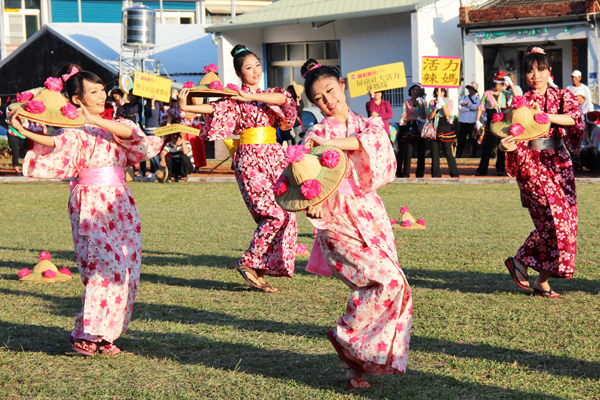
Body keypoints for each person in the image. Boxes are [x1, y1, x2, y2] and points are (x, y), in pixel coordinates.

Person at [10, 63, 163, 354]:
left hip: (121, 202)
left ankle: (106, 335)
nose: (102, 94)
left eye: (102, 89)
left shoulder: (116, 123)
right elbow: (54, 142)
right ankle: (85, 333)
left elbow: (132, 137)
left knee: (127, 268)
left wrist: (93, 118)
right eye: (93, 91)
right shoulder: (73, 130)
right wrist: (21, 128)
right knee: (104, 267)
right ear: (77, 99)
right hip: (90, 200)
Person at [300, 58, 412, 390]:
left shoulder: (368, 123)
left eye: (331, 91)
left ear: (343, 86)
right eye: (319, 98)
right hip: (335, 218)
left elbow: (374, 145)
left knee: (391, 286)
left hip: (369, 213)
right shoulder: (315, 132)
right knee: (385, 281)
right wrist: (314, 200)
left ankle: (355, 364)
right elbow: (303, 175)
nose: (328, 101)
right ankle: (346, 337)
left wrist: (331, 145)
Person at [177, 45, 298, 293]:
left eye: (257, 66)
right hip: (250, 158)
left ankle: (258, 267)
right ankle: (248, 262)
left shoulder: (269, 94)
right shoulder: (232, 98)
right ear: (239, 73)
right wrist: (186, 107)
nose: (255, 71)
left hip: (274, 156)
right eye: (248, 68)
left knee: (287, 213)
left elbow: (284, 100)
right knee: (272, 214)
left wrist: (251, 97)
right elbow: (214, 108)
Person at [499, 46, 585, 298]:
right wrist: (506, 146)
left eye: (540, 69)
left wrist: (545, 116)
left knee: (567, 225)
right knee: (551, 223)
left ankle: (542, 281)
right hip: (531, 165)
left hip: (559, 166)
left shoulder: (563, 95)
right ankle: (520, 260)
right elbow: (511, 133)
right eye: (529, 71)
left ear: (549, 70)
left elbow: (575, 120)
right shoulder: (520, 102)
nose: (535, 76)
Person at [475, 71, 512, 176]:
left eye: (502, 84)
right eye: (499, 84)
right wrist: (477, 121)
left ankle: (500, 168)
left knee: (502, 146)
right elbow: (481, 107)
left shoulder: (505, 94)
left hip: (502, 123)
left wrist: (510, 84)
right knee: (487, 146)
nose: (500, 86)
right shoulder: (487, 93)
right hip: (491, 122)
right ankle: (482, 169)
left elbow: (516, 95)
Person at [427, 87, 459, 177]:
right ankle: (435, 174)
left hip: (444, 125)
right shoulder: (431, 102)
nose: (440, 92)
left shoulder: (449, 100)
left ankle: (454, 173)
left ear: (445, 92)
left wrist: (442, 104)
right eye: (437, 90)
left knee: (448, 151)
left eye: (442, 90)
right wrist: (435, 108)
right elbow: (429, 117)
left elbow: (447, 114)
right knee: (434, 153)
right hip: (434, 126)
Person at [398, 83, 427, 177]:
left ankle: (420, 173)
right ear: (410, 91)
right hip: (410, 128)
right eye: (413, 89)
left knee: (421, 151)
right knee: (408, 151)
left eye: (417, 90)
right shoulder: (406, 102)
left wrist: (421, 105)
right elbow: (405, 117)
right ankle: (406, 173)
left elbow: (424, 116)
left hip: (421, 129)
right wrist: (416, 118)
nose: (415, 91)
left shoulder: (423, 102)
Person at [456, 82, 481, 158]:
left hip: (472, 122)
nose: (470, 90)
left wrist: (467, 105)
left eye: (472, 89)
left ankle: (473, 156)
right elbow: (460, 107)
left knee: (473, 140)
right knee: (461, 140)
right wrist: (469, 109)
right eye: (469, 89)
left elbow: (476, 107)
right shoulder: (464, 97)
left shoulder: (477, 99)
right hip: (463, 121)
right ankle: (458, 156)